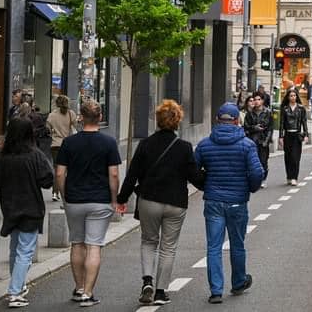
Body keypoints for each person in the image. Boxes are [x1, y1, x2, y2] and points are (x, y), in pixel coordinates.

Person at [117, 100, 204, 306]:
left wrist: (122, 198)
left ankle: (147, 281)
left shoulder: (145, 144)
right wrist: (208, 176)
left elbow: (132, 175)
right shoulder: (184, 147)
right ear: (177, 121)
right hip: (175, 202)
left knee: (149, 241)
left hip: (149, 200)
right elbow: (195, 179)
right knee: (168, 247)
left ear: (157, 120)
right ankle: (160, 292)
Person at [0, 118, 55, 308]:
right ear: (29, 134)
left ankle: (18, 285)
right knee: (25, 252)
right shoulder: (35, 155)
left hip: (10, 209)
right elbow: (47, 181)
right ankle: (15, 292)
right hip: (31, 209)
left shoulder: (1, 157)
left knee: (15, 249)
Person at [195, 103, 264, 303]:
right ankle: (239, 281)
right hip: (237, 201)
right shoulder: (247, 145)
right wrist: (250, 188)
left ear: (217, 120)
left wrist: (205, 185)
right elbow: (257, 172)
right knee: (237, 244)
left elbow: (193, 170)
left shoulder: (205, 145)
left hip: (213, 201)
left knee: (214, 247)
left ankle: (216, 290)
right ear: (236, 121)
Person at [55, 101, 121, 308]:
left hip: (75, 200)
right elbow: (113, 174)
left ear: (81, 118)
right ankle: (88, 293)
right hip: (100, 200)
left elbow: (59, 173)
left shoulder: (69, 143)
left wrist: (65, 196)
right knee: (94, 246)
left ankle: (79, 288)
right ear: (100, 117)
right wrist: (114, 198)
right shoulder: (109, 142)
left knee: (77, 243)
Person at [46, 95, 78, 201]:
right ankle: (67, 191)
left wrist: (54, 132)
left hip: (55, 145)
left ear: (56, 103)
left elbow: (47, 129)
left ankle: (55, 193)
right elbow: (76, 126)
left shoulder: (52, 115)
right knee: (68, 169)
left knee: (57, 170)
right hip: (68, 144)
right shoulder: (71, 113)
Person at [278, 87, 309, 186]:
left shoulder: (301, 108)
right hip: (287, 134)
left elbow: (304, 122)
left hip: (297, 135)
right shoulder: (284, 109)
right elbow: (281, 123)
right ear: (288, 97)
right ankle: (289, 176)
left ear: (296, 96)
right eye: (291, 96)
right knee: (288, 157)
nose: (293, 97)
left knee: (296, 157)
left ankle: (294, 177)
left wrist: (306, 134)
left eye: (294, 95)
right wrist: (280, 137)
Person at [243, 93, 273, 187]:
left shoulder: (268, 112)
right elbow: (246, 128)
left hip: (263, 140)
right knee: (252, 161)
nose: (256, 101)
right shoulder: (249, 114)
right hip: (252, 141)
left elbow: (270, 129)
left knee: (263, 161)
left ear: (262, 101)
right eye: (255, 99)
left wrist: (266, 141)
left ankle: (263, 179)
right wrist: (254, 128)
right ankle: (254, 179)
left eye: (259, 99)